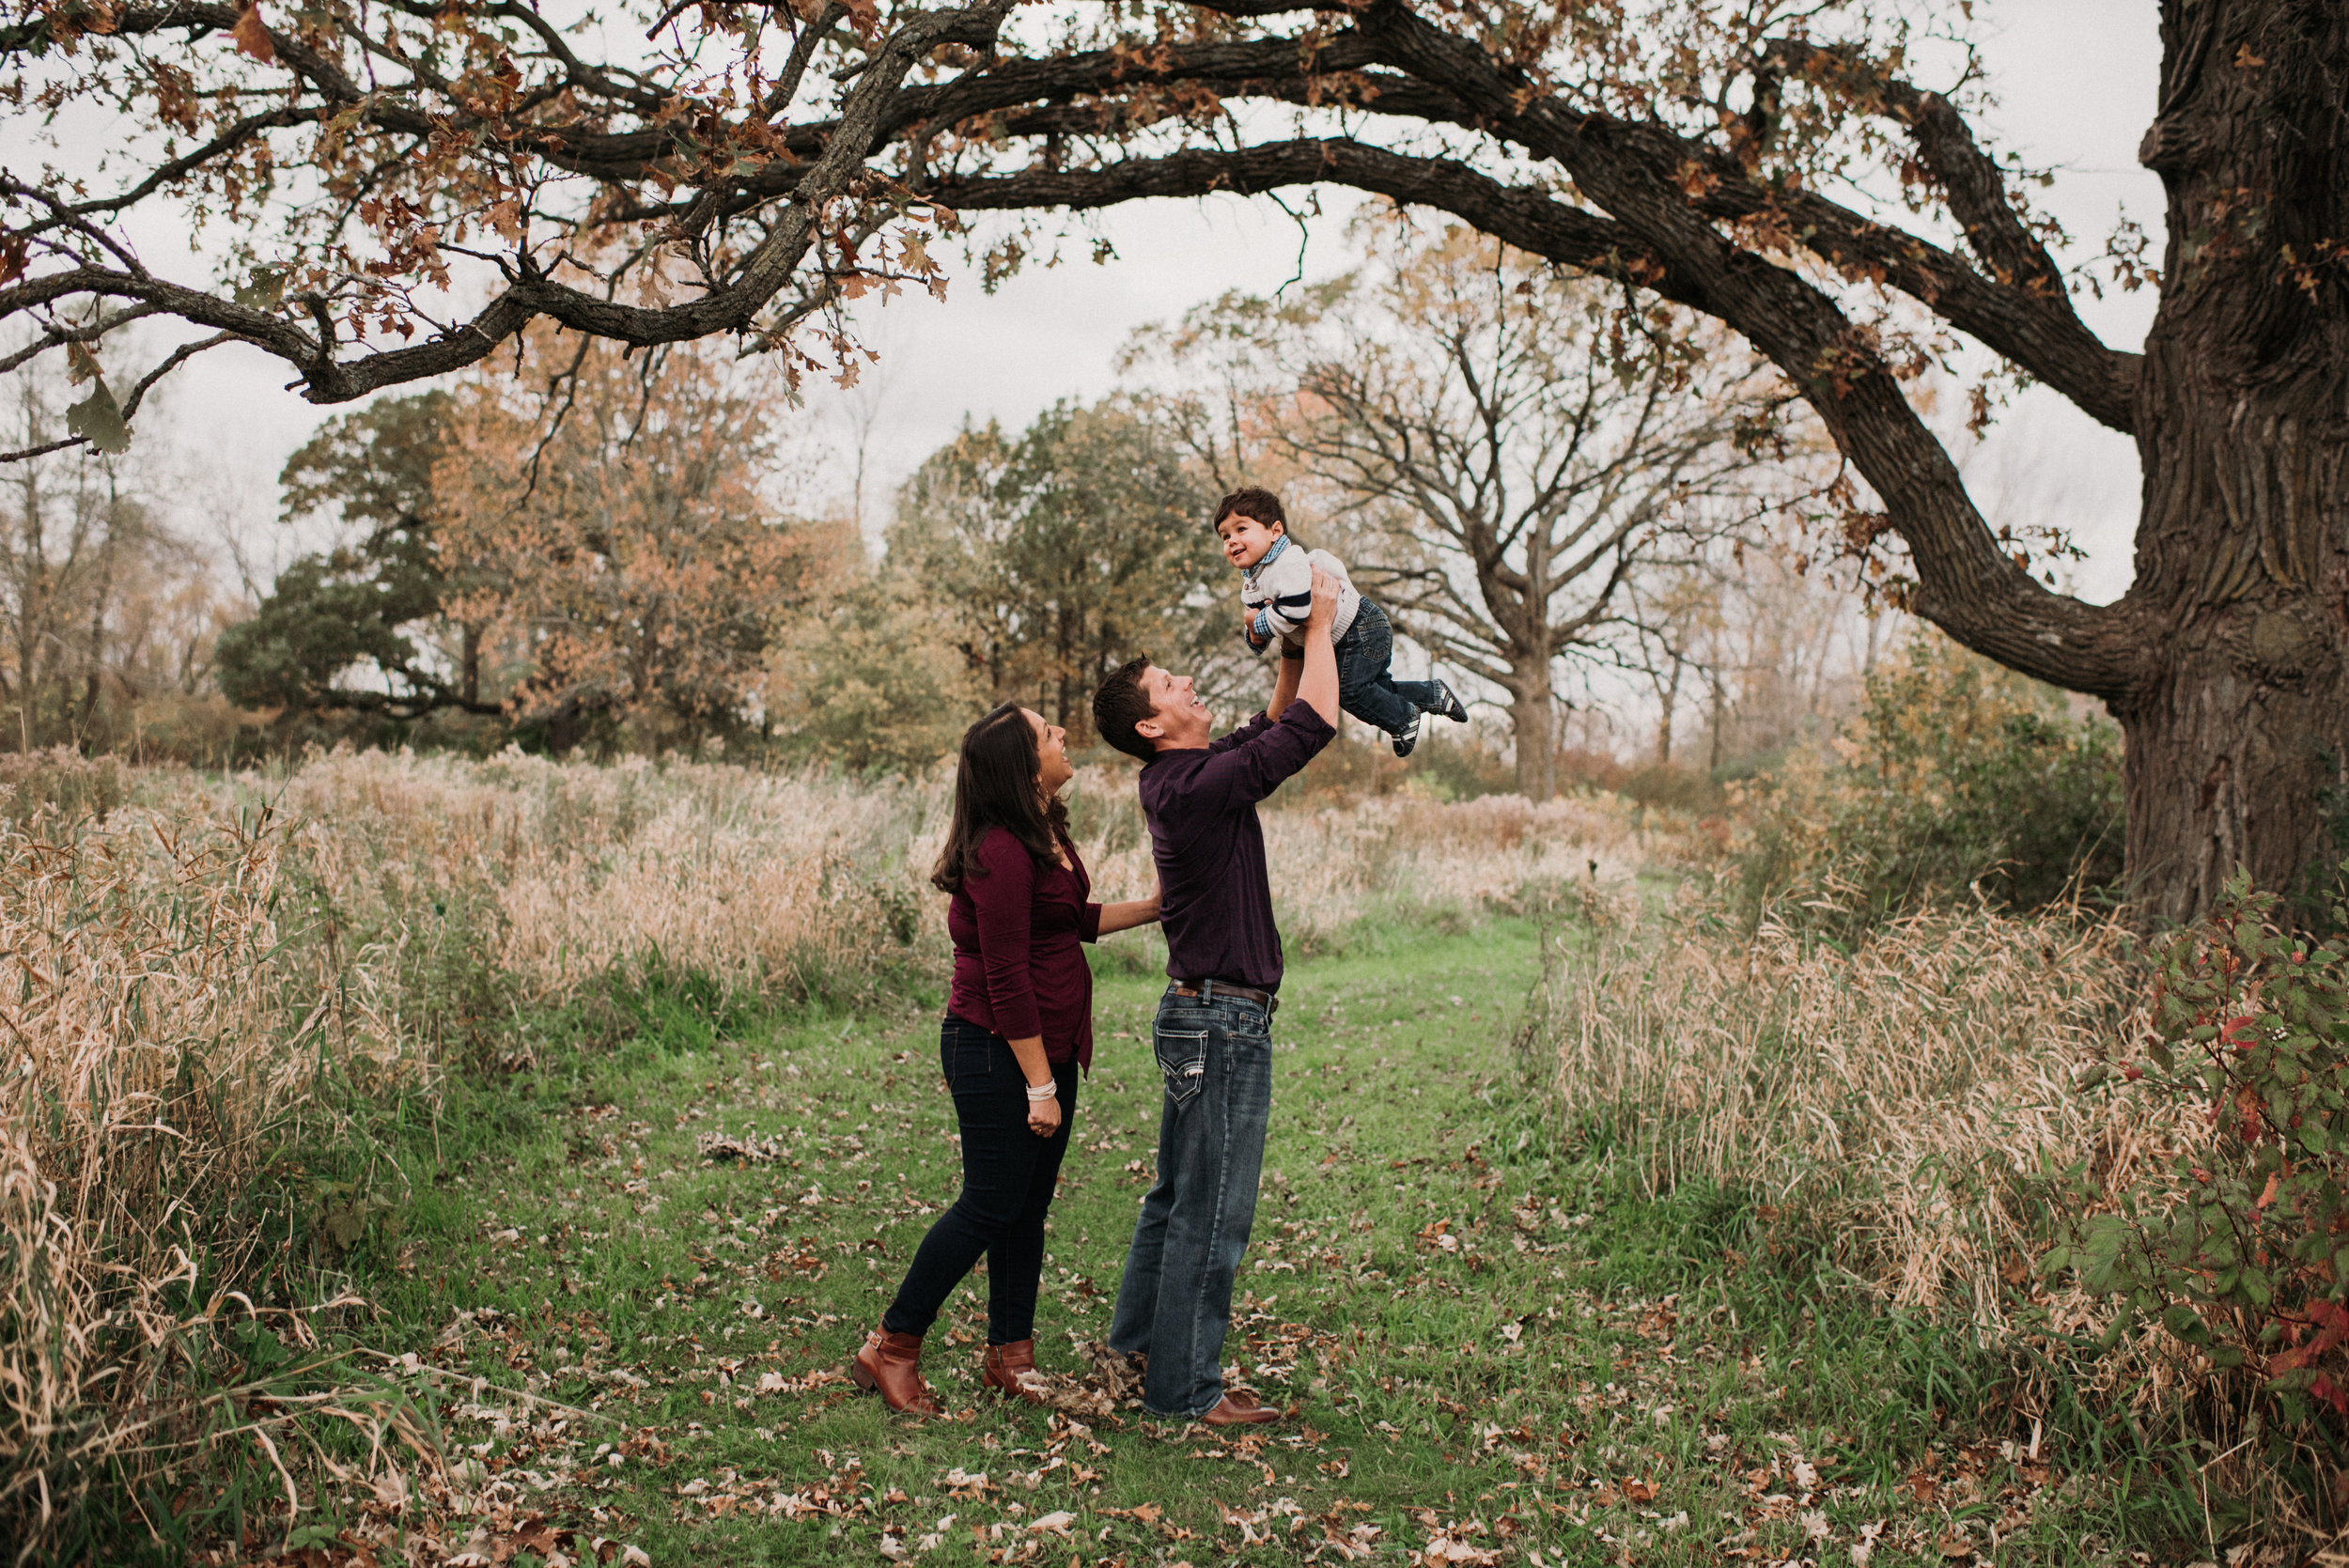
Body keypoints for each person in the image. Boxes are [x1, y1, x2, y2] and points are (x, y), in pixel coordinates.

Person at [1087, 562, 1342, 1426]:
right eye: (1170, 684)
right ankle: (1186, 1392)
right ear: (1152, 723)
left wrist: (1287, 646)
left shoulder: (1187, 775)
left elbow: (1270, 722)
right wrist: (1324, 623)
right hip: (1222, 1019)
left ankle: (1134, 1355)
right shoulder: (1193, 786)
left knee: (1175, 1198)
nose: (1187, 681)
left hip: (1199, 1012)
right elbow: (1311, 727)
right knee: (1213, 1209)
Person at [852, 704, 1160, 1416]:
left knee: (1028, 1204)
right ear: (1021, 764)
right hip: (995, 1048)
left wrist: (1153, 907)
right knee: (991, 1201)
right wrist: (1040, 1085)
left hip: (1046, 1045)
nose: (1062, 734)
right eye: (1047, 732)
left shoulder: (1042, 832)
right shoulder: (999, 851)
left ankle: (1010, 1356)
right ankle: (892, 1345)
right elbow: (1005, 975)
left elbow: (1069, 920)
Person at [1215, 486, 1467, 757]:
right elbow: (1260, 623)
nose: (1231, 541)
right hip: (1345, 637)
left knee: (1349, 692)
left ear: (1275, 531)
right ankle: (1433, 695)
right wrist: (1254, 634)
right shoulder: (1253, 584)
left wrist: (1259, 622)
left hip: (1360, 628)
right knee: (1376, 691)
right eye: (1225, 536)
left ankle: (1402, 719)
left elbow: (1295, 610)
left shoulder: (1288, 562)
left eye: (1241, 529)